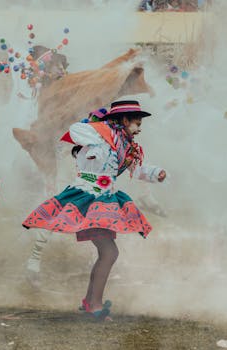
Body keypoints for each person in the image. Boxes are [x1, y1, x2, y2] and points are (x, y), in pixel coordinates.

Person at [22, 96, 166, 321]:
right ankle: (93, 305)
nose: (139, 129)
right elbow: (76, 130)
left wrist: (156, 173)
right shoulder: (98, 135)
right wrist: (100, 125)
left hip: (106, 199)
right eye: (136, 123)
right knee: (109, 252)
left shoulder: (126, 146)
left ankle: (91, 302)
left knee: (108, 252)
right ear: (124, 119)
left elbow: (137, 170)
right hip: (87, 198)